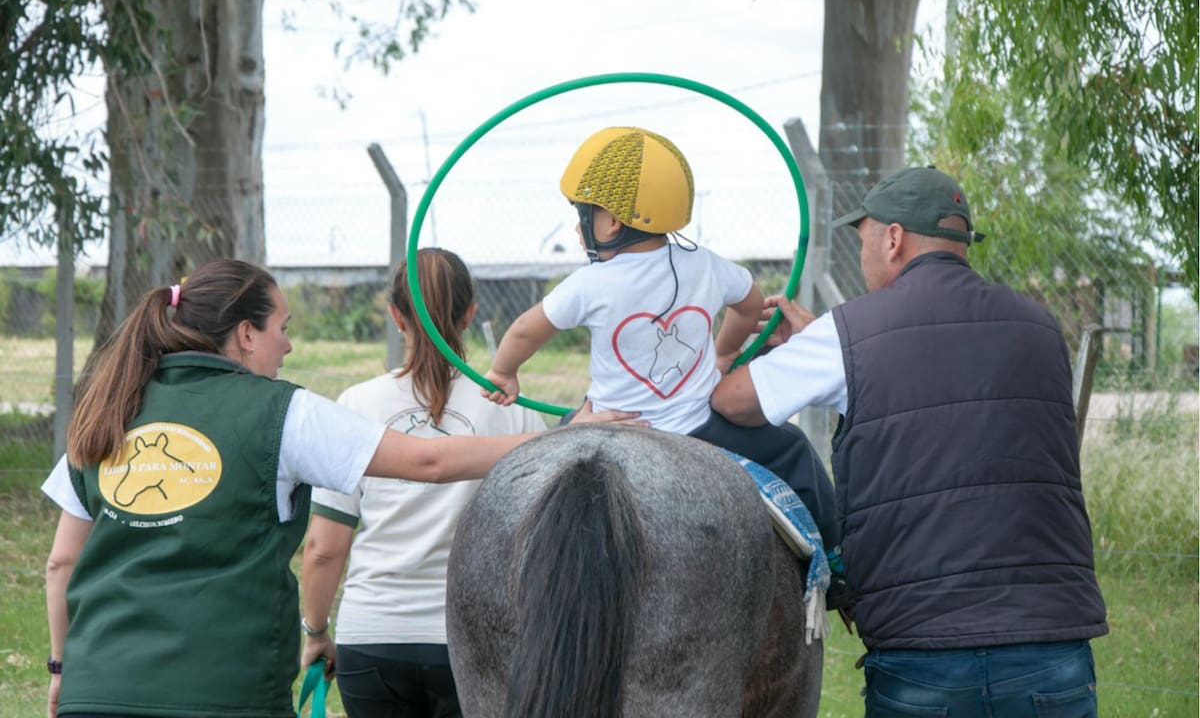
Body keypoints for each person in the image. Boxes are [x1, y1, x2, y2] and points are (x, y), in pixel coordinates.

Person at [40, 258, 631, 718]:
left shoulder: (107, 408)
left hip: (95, 690)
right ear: (246, 334)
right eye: (282, 328)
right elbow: (427, 460)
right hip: (224, 694)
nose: (288, 344)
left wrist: (62, 667)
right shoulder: (283, 412)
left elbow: (61, 563)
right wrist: (563, 434)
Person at [711, 166, 1108, 716]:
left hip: (923, 654)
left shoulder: (846, 334)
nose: (864, 256)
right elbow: (953, 381)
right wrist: (824, 340)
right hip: (1051, 647)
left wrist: (739, 350)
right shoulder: (1040, 328)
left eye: (863, 241)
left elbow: (730, 401)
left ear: (893, 238)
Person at [482, 126, 842, 561]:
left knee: (545, 453)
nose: (578, 229)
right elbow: (749, 306)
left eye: (583, 215)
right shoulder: (705, 264)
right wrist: (725, 351)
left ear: (612, 222)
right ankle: (836, 555)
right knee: (793, 448)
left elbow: (525, 330)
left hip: (608, 425)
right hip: (701, 428)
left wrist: (503, 371)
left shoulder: (588, 283)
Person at [300, 248, 544, 718]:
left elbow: (324, 549)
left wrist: (315, 632)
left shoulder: (356, 404)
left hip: (372, 638)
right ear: (471, 315)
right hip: (477, 643)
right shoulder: (516, 411)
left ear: (396, 316)